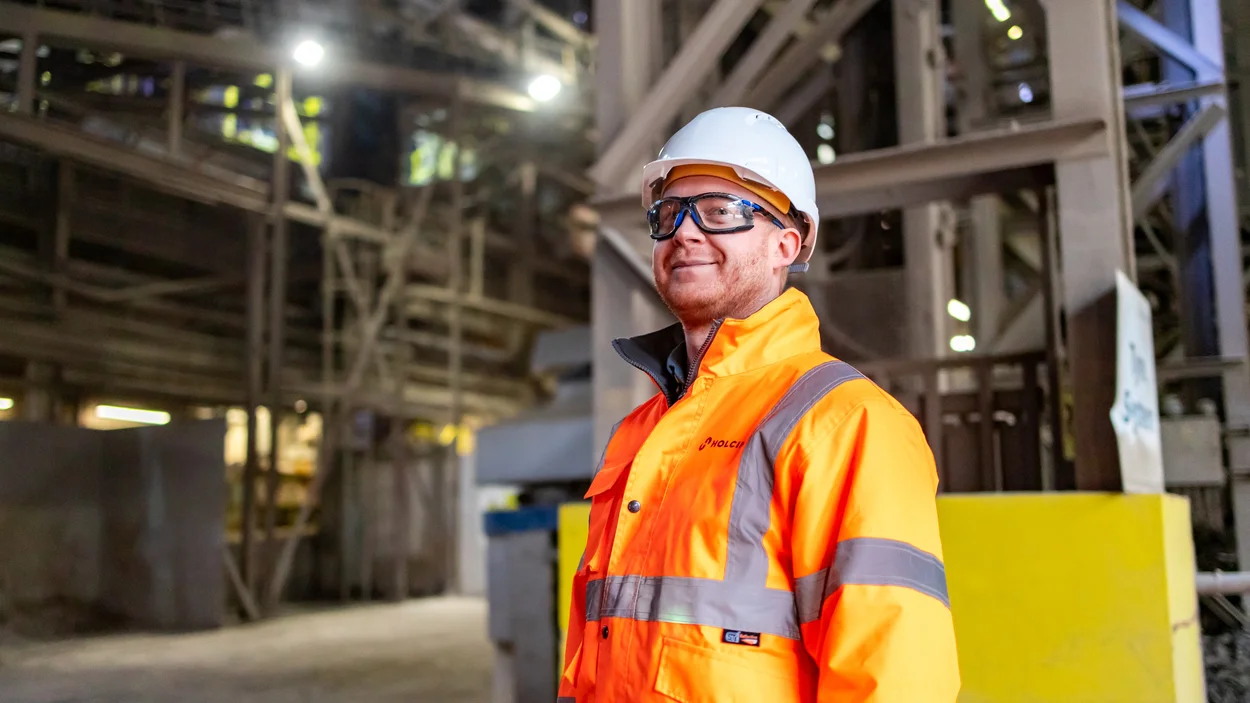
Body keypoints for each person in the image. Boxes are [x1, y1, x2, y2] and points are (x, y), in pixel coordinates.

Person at [557, 107, 960, 702]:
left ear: (785, 245)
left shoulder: (847, 423)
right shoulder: (641, 431)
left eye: (722, 212)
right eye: (670, 214)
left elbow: (895, 677)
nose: (686, 232)